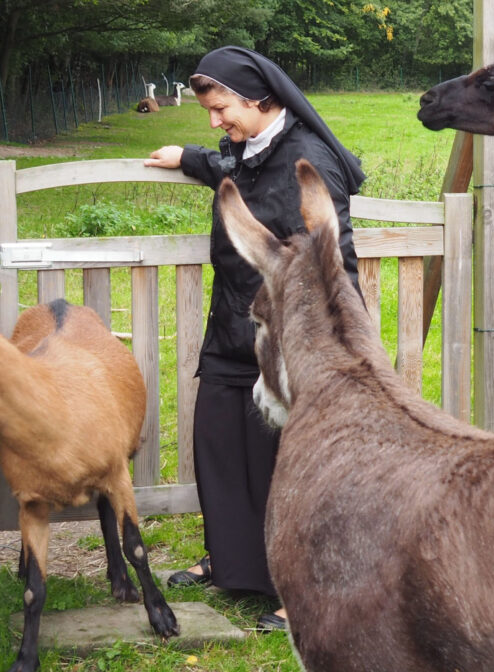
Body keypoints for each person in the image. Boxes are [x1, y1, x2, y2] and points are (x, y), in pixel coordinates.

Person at [144, 46, 364, 632]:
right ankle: (234, 563)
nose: (216, 123)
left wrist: (345, 344)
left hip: (291, 343)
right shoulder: (246, 149)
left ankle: (299, 585)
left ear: (259, 99)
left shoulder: (310, 161)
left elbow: (336, 258)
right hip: (231, 330)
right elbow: (232, 172)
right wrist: (189, 157)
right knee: (220, 444)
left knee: (288, 463)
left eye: (221, 110)